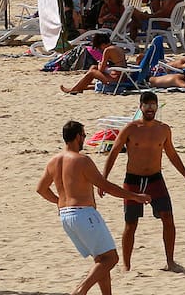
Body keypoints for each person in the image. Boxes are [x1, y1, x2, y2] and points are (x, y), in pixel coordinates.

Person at [36, 121, 150, 295]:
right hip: (84, 214)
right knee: (111, 259)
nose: (84, 139)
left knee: (101, 259)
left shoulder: (53, 161)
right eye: (84, 135)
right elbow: (106, 186)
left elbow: (41, 189)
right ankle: (80, 291)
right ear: (77, 137)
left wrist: (59, 202)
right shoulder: (82, 160)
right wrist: (136, 196)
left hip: (66, 216)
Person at [101, 91, 185, 272]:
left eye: (153, 105)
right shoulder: (130, 128)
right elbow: (113, 152)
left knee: (168, 218)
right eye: (146, 104)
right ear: (140, 107)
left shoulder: (164, 129)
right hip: (133, 181)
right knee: (131, 223)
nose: (150, 108)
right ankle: (126, 265)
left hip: (155, 179)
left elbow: (172, 155)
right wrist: (104, 179)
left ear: (157, 107)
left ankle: (170, 261)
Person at [60, 33, 126, 94]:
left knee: (92, 72)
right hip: (122, 76)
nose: (100, 50)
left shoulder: (107, 50)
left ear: (103, 44)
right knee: (93, 67)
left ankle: (75, 89)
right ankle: (83, 85)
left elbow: (101, 70)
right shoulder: (118, 48)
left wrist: (100, 64)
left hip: (115, 79)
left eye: (100, 48)